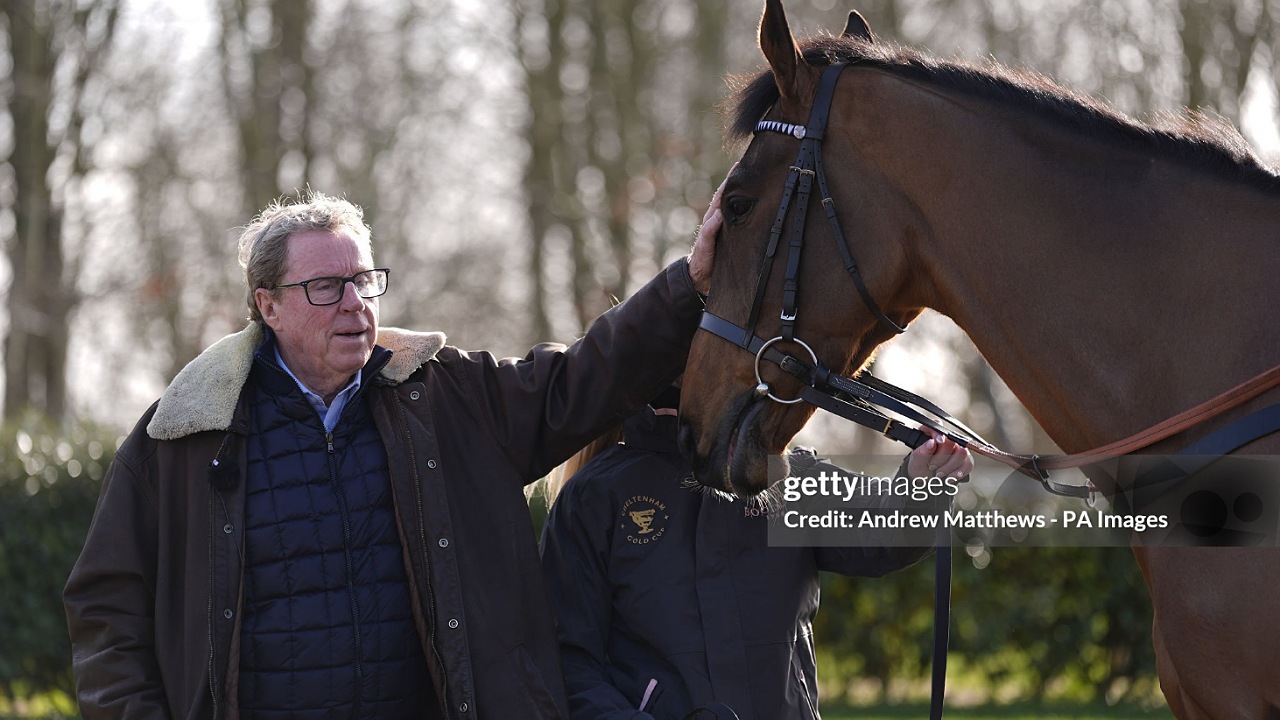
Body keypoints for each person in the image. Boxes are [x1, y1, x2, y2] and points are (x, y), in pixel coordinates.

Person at [63, 186, 723, 720]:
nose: (353, 304)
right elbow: (106, 606)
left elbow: (584, 377)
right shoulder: (182, 435)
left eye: (363, 281)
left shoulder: (449, 400)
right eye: (325, 288)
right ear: (269, 306)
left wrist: (689, 282)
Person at [539, 386, 972, 720]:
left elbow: (882, 534)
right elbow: (568, 658)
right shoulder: (596, 495)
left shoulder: (783, 475)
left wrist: (922, 483)